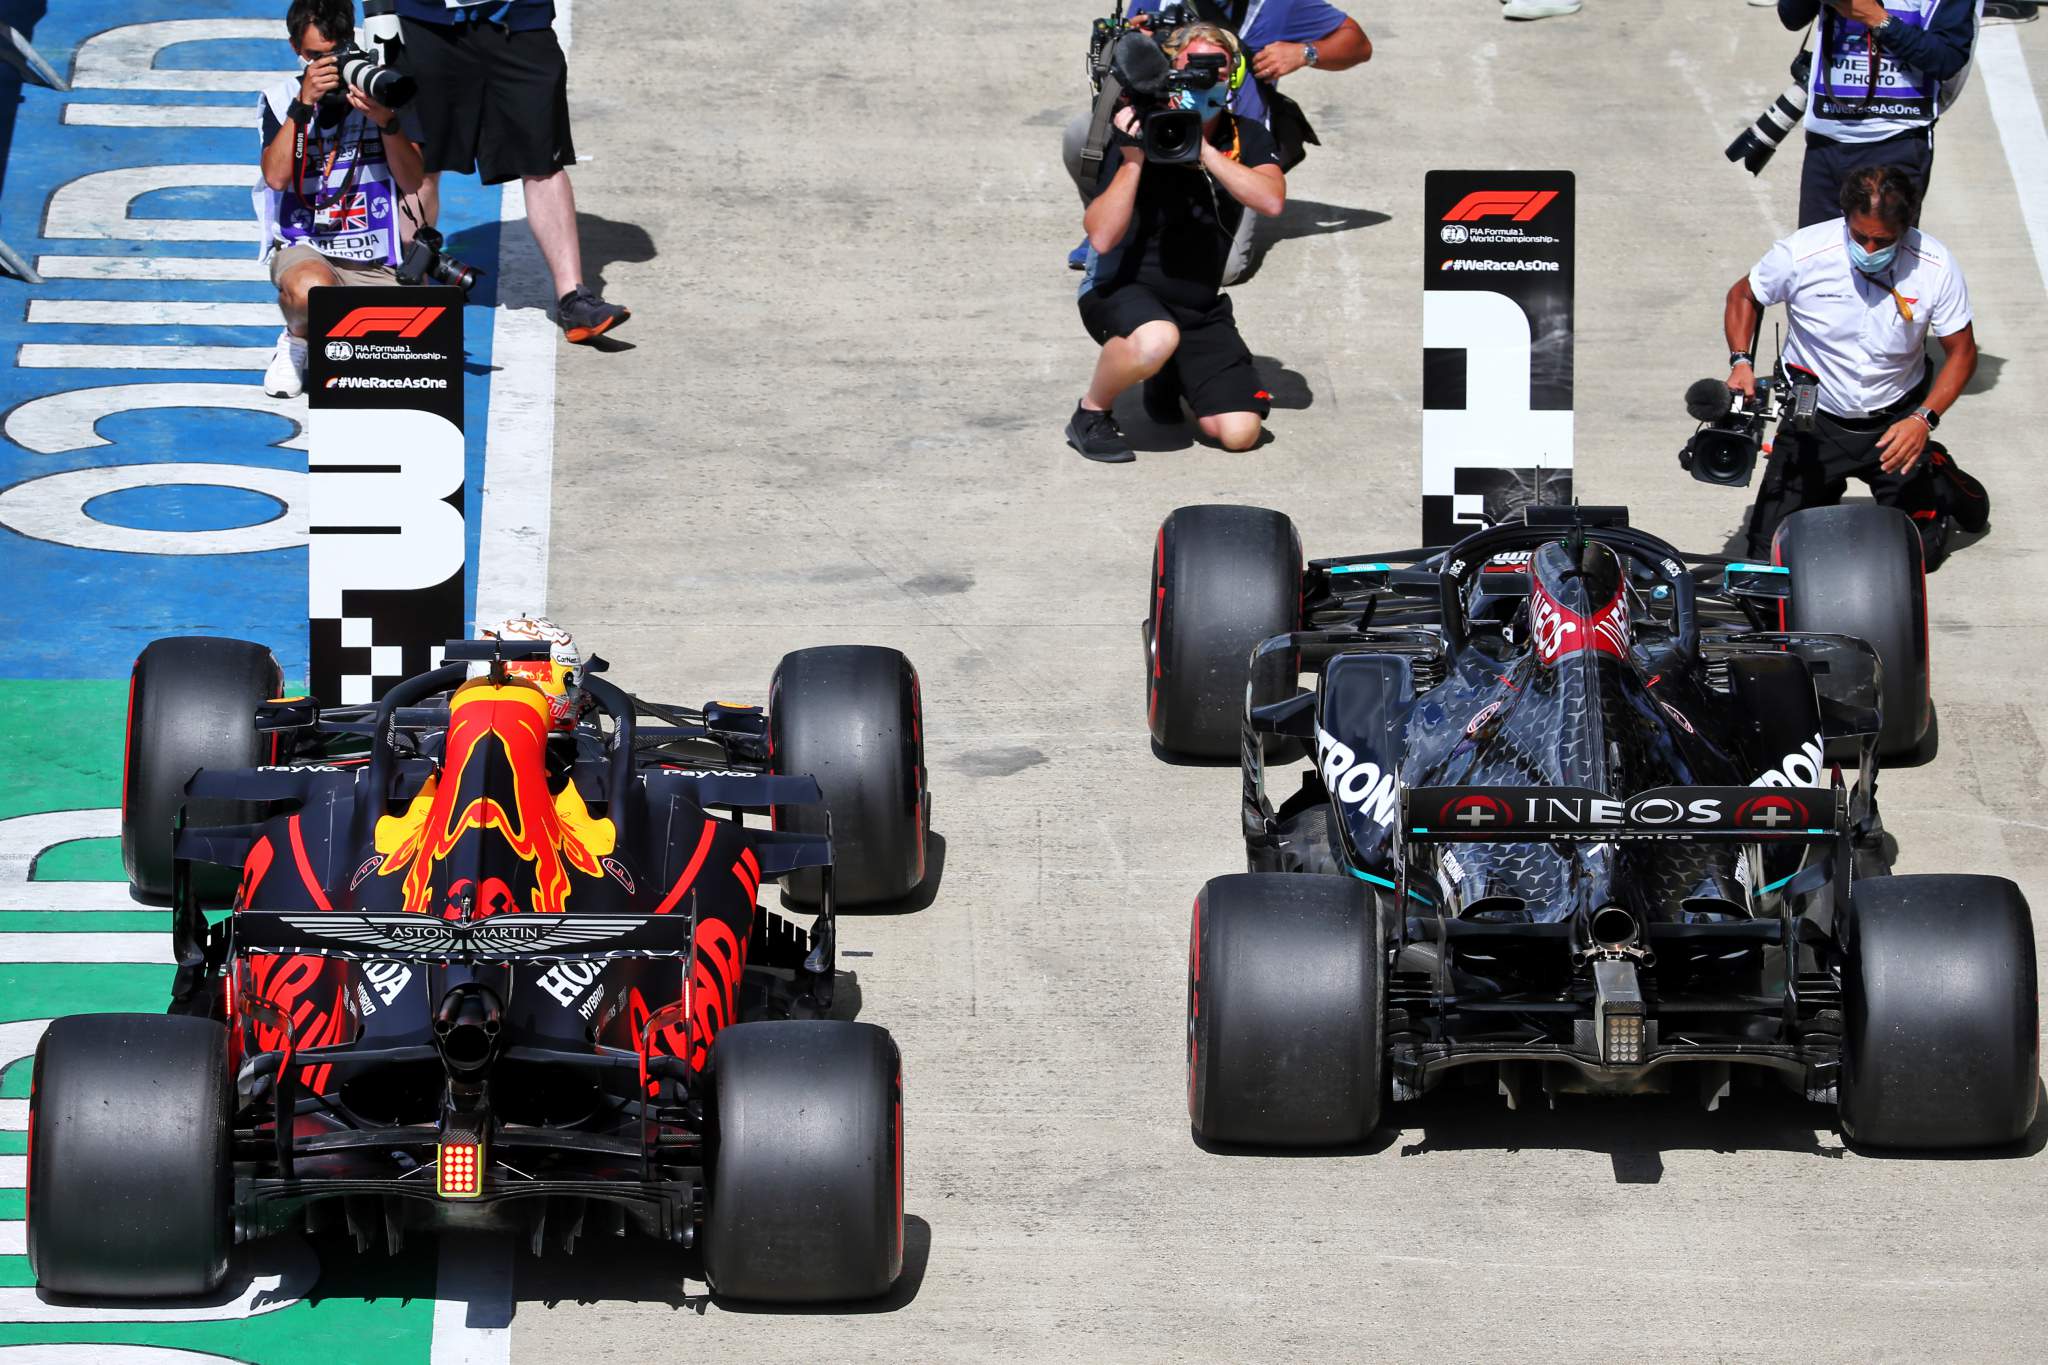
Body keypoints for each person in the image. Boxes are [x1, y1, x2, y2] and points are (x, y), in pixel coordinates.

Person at [1721, 164, 1982, 565]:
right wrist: (1741, 361)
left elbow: (1962, 352)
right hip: (1814, 423)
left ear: (1906, 226)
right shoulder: (1801, 254)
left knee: (1917, 556)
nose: (1871, 251)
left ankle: (1936, 471)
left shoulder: (1935, 266)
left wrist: (1922, 420)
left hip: (1895, 424)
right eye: (1861, 237)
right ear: (1845, 218)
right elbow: (1743, 295)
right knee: (1770, 558)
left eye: (1884, 240)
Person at [1066, 24, 1286, 463]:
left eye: (1216, 67)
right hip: (1123, 289)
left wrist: (1202, 149)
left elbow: (1271, 201)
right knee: (1155, 338)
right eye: (1191, 66)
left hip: (1198, 307)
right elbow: (1102, 236)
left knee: (1240, 432)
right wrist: (1132, 160)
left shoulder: (1245, 135)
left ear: (1234, 75)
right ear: (1171, 72)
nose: (1205, 77)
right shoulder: (1141, 129)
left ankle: (1168, 375)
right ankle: (1091, 413)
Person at [1062, 0, 1370, 281]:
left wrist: (1306, 53)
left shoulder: (1280, 4)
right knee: (1082, 134)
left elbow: (1357, 43)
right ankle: (1114, 222)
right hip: (1152, 132)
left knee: (1223, 271)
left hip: (1228, 147)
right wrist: (1132, 43)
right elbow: (1121, 64)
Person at [392, 1, 629, 342]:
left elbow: (642, 251)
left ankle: (574, 299)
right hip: (427, 23)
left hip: (518, 21)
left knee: (543, 160)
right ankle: (416, 295)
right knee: (422, 162)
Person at [257, 0, 426, 399]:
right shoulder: (282, 99)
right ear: (296, 49)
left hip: (375, 254)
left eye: (336, 54)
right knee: (313, 289)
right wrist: (303, 106)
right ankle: (296, 342)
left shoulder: (381, 86)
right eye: (316, 57)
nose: (329, 67)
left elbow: (413, 179)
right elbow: (276, 177)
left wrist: (386, 121)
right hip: (307, 246)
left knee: (393, 381)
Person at [1776, 1, 1982, 228]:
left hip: (1897, 141)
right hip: (1826, 142)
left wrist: (1877, 19)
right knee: (1817, 256)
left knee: (1882, 252)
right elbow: (1791, 16)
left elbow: (1947, 58)